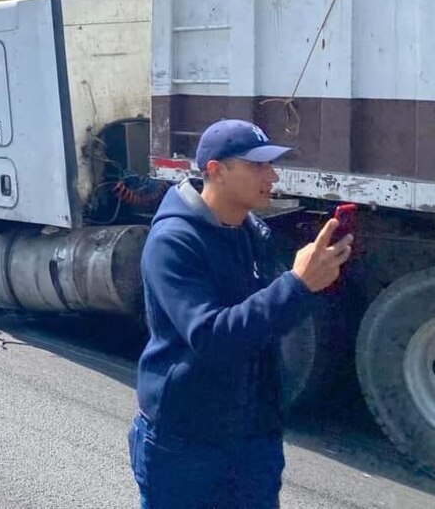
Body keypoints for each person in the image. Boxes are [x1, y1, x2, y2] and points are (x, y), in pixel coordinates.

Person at [129, 119, 353, 507]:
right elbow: (212, 337)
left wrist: (313, 285)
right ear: (216, 170)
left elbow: (262, 326)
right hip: (185, 442)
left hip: (252, 438)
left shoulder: (250, 233)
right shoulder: (172, 242)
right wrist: (295, 285)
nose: (272, 175)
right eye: (257, 165)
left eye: (271, 164)